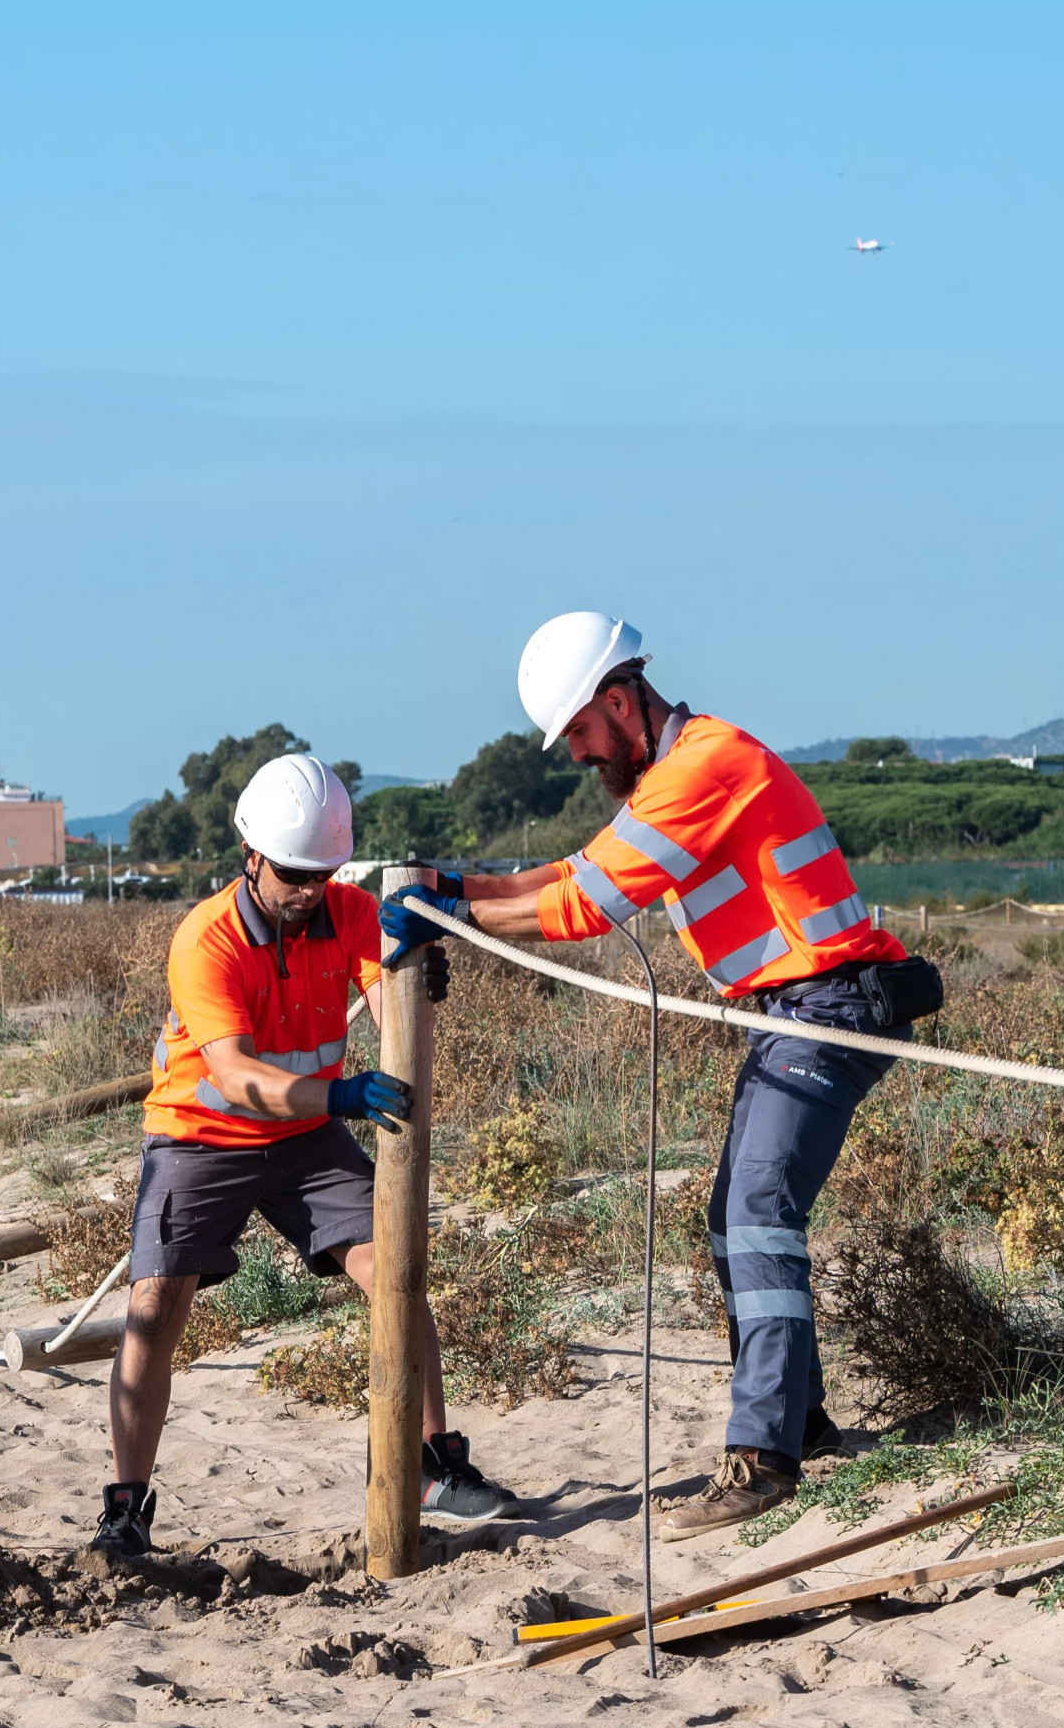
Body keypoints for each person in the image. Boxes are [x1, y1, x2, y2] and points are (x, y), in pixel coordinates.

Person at [386, 613, 942, 1538]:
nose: (574, 754)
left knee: (757, 1212)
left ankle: (763, 1460)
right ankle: (799, 1423)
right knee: (738, 1219)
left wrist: (451, 910)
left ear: (618, 699)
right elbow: (576, 868)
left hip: (833, 1006)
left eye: (577, 733)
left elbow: (587, 906)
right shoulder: (669, 776)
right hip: (802, 1010)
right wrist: (449, 888)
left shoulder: (702, 768)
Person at [98, 752, 513, 1558]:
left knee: (394, 1267)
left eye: (321, 872)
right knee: (154, 1308)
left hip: (306, 1139)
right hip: (202, 1134)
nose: (307, 889)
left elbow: (386, 993)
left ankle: (432, 1464)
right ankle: (125, 1509)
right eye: (292, 872)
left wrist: (415, 977)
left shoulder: (353, 910)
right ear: (250, 856)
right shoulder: (205, 940)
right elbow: (236, 1077)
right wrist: (345, 1097)